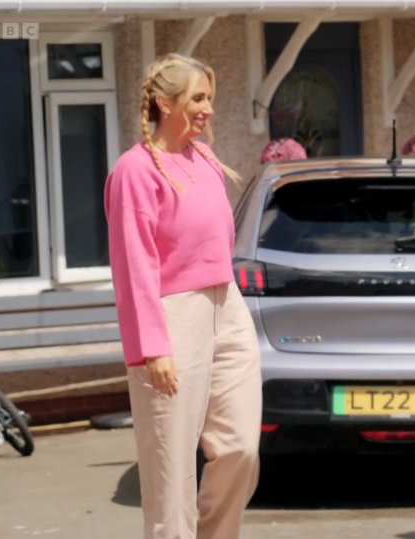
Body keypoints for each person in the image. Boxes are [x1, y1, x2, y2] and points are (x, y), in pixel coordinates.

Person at [104, 53, 263, 539]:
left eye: (210, 98)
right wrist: (154, 347)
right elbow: (134, 267)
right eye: (198, 97)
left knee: (241, 449)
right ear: (163, 102)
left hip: (227, 307)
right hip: (172, 318)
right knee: (171, 474)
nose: (208, 109)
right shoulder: (134, 171)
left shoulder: (205, 160)